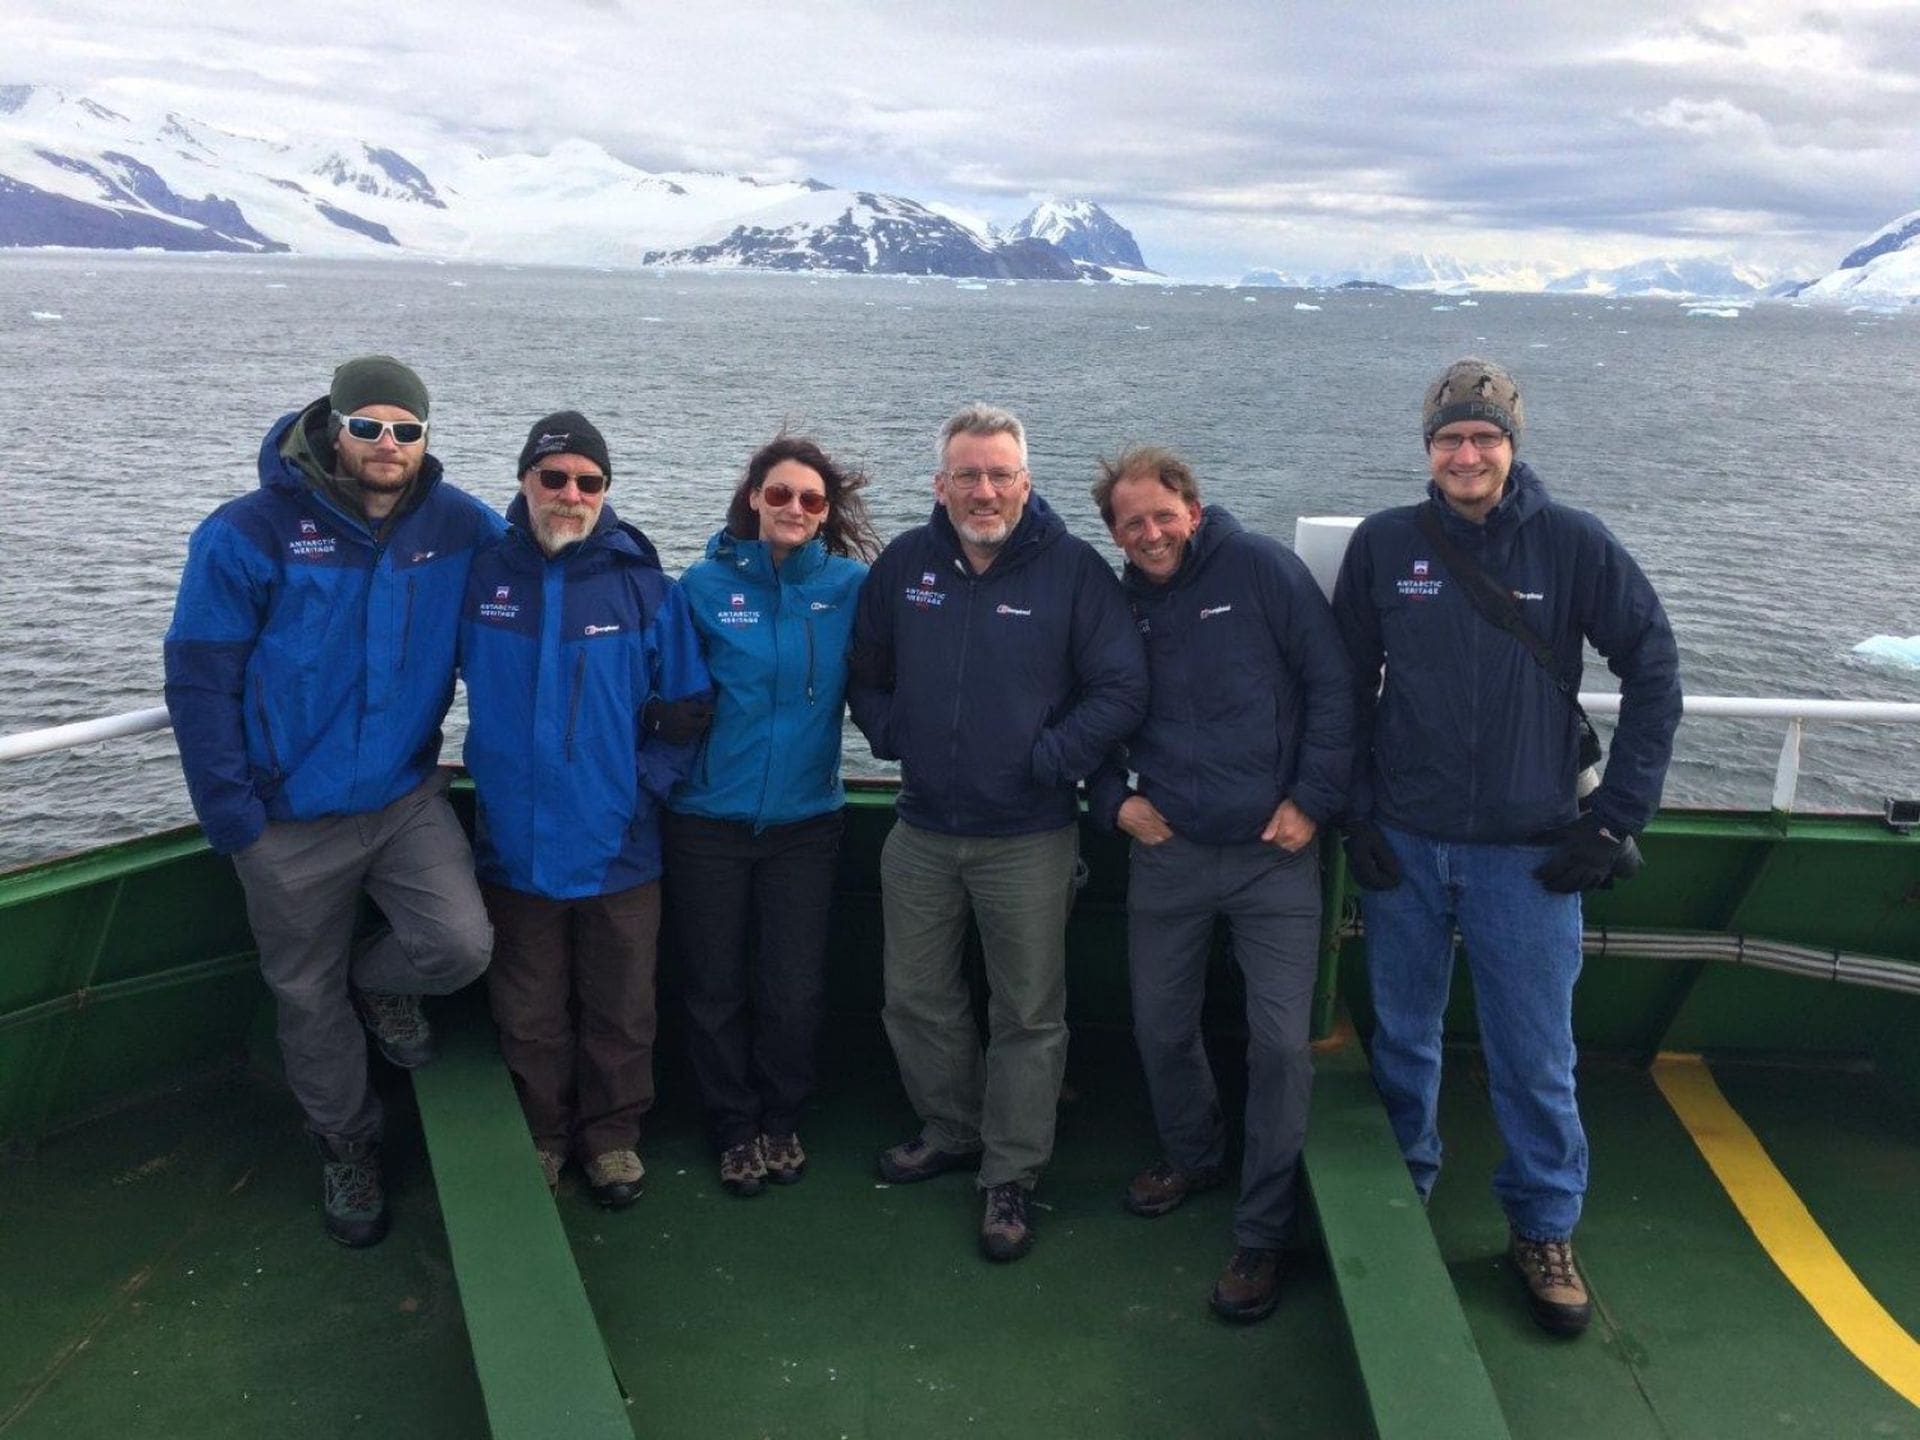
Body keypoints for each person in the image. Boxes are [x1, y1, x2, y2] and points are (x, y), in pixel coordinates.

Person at [1331, 357, 1681, 1335]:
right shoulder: (1386, 544)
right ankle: (1405, 1182)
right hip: (1406, 837)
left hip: (1529, 853)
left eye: (1485, 437)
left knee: (1534, 1055)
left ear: (1512, 446)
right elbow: (1344, 683)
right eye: (1450, 438)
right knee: (1403, 1036)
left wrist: (1615, 817)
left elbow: (1654, 668)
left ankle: (1543, 1225)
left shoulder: (1571, 545)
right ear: (1429, 449)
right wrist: (1359, 811)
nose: (1467, 453)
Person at [164, 355, 502, 1247]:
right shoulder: (247, 532)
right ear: (334, 426)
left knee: (459, 945)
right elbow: (199, 679)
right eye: (369, 427)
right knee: (303, 998)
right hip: (282, 817)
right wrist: (232, 815)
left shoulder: (458, 525)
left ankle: (380, 983)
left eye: (407, 430)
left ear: (427, 438)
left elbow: (549, 560)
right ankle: (347, 1145)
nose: (387, 445)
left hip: (401, 797)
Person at [848, 403, 1148, 1261]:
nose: (985, 491)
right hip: (922, 830)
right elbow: (866, 671)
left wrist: (1050, 758)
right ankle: (953, 1128)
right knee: (914, 996)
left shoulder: (1075, 573)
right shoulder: (906, 564)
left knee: (1027, 1014)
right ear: (940, 485)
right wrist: (892, 733)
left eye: (1001, 474)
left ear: (1026, 481)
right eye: (968, 475)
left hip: (1029, 836)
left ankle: (1010, 1173)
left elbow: (1120, 687)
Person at [1086, 446, 1352, 1323]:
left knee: (1278, 1046)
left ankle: (1262, 1229)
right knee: (1162, 1024)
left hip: (1275, 852)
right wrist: (1114, 800)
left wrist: (1312, 801)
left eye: (1164, 514)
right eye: (1132, 523)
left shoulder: (1265, 569)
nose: (1151, 533)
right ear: (1113, 533)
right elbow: (1073, 706)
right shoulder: (1115, 601)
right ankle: (1194, 1153)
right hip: (1169, 851)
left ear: (1193, 509)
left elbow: (1332, 686)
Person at [459, 412, 711, 1208]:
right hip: (515, 842)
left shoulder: (644, 588)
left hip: (619, 844)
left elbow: (688, 708)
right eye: (555, 477)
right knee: (528, 1007)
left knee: (621, 1008)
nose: (571, 494)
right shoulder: (483, 579)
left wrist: (639, 791)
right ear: (525, 482)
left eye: (589, 481)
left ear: (606, 490)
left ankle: (611, 1139)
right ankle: (542, 1133)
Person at [664, 436, 881, 1197]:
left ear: (826, 514)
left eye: (811, 500)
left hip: (805, 824)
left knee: (792, 987)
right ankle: (732, 1127)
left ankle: (781, 1119)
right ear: (754, 496)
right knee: (714, 986)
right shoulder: (700, 585)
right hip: (707, 822)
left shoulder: (853, 587)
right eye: (780, 494)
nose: (794, 508)